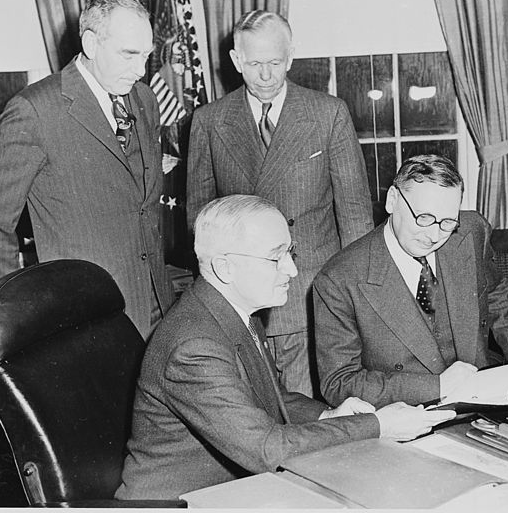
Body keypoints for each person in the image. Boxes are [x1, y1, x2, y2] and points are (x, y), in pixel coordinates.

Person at [115, 195, 455, 499]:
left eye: (290, 253)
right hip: (178, 502)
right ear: (224, 267)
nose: (292, 270)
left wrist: (327, 415)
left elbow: (273, 398)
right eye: (275, 258)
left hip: (230, 490)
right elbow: (268, 449)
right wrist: (379, 425)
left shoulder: (234, 311)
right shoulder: (194, 348)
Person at [0, 0, 171, 340]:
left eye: (147, 56)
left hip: (159, 309)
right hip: (85, 317)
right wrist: (21, 312)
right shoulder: (34, 111)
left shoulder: (145, 100)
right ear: (91, 44)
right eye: (128, 55)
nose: (140, 70)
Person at [187, 10, 373, 397]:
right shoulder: (209, 121)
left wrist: (357, 307)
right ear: (236, 61)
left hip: (310, 298)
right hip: (241, 302)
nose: (266, 75)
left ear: (291, 57)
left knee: (308, 415)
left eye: (275, 63)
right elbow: (200, 220)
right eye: (255, 64)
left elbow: (356, 220)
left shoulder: (328, 114)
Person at [314, 154, 508, 408]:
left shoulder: (472, 231)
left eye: (448, 222)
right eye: (424, 218)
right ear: (393, 200)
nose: (434, 235)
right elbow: (338, 382)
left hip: (481, 397)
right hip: (409, 414)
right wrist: (437, 386)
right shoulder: (340, 279)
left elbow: (495, 294)